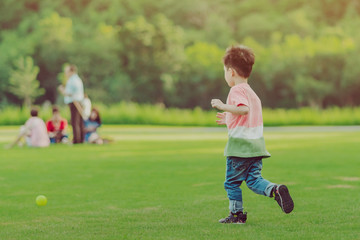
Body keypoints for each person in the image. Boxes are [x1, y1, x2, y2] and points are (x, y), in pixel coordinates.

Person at [211, 45, 294, 224]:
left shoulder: (236, 90)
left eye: (225, 71)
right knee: (254, 181)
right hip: (256, 148)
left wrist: (222, 105)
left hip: (240, 149)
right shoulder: (252, 94)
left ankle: (236, 215)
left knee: (231, 183)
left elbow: (243, 110)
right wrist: (229, 118)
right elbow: (246, 117)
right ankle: (275, 190)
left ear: (231, 71)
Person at [58, 64, 85, 144]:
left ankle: (76, 140)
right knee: (79, 121)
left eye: (67, 71)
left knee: (75, 121)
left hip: (74, 102)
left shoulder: (72, 80)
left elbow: (69, 93)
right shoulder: (77, 79)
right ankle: (80, 139)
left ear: (71, 71)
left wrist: (62, 90)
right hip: (78, 101)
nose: (66, 73)